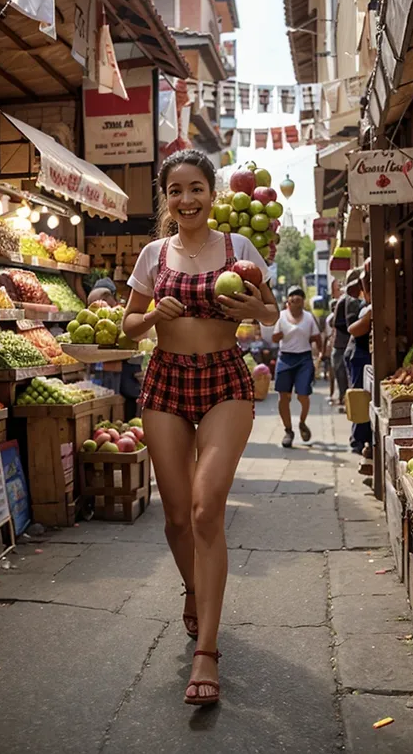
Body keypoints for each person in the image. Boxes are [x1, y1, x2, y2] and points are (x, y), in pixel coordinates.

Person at [123, 149, 278, 706]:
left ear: (212, 193)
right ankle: (194, 589)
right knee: (175, 516)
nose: (186, 199)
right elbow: (128, 326)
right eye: (176, 191)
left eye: (196, 189)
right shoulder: (153, 253)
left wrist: (250, 308)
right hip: (164, 383)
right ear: (166, 199)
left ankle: (206, 651)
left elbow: (270, 315)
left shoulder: (238, 250)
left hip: (224, 383)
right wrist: (152, 317)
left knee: (206, 508)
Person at [272, 285, 322, 448]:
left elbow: (316, 337)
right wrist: (281, 335)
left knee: (303, 395)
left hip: (304, 359)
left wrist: (320, 354)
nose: (296, 304)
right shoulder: (281, 317)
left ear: (303, 302)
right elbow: (274, 338)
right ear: (288, 301)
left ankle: (302, 422)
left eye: (299, 300)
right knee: (283, 396)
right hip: (285, 358)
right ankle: (288, 430)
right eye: (293, 300)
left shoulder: (308, 318)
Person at [346, 261, 373, 455]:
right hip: (359, 354)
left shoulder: (366, 304)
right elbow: (353, 330)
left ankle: (362, 439)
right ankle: (358, 440)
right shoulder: (360, 305)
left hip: (362, 354)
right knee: (359, 397)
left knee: (363, 397)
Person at [331, 269, 362, 408]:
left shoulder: (350, 299)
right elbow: (339, 323)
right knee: (344, 378)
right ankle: (347, 404)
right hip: (342, 346)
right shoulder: (346, 300)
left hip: (344, 345)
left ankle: (347, 403)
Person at [324, 299, 337, 402]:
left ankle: (333, 394)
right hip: (332, 347)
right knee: (332, 374)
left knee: (333, 374)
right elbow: (326, 335)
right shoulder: (331, 318)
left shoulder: (331, 318)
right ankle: (332, 394)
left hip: (332, 347)